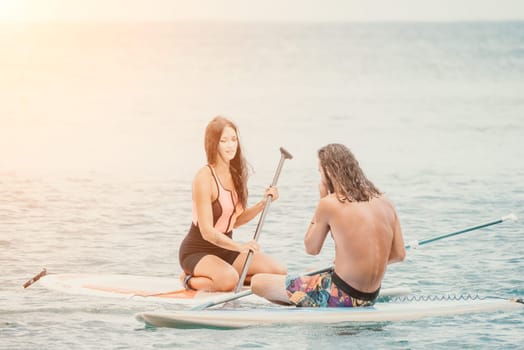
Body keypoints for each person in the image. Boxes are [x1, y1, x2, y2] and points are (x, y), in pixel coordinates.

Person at [251, 143, 405, 307]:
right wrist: (360, 263)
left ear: (329, 172)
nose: (320, 176)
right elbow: (399, 255)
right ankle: (304, 302)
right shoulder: (385, 202)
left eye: (320, 171)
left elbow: (311, 248)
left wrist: (322, 198)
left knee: (257, 282)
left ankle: (305, 304)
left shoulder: (330, 203)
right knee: (313, 271)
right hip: (370, 296)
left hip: (339, 296)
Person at [178, 116, 287, 292]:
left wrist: (263, 203)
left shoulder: (236, 175)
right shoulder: (204, 177)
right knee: (228, 280)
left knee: (278, 272)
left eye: (234, 139)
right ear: (214, 144)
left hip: (225, 250)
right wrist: (241, 247)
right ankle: (188, 279)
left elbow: (234, 221)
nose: (231, 145)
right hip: (198, 251)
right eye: (224, 141)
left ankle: (233, 279)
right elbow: (207, 232)